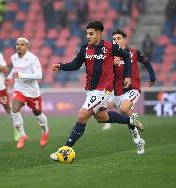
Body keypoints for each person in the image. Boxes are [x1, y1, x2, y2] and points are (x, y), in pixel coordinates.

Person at [49, 21, 143, 161]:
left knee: (81, 116)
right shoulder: (85, 49)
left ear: (99, 34)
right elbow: (75, 65)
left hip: (103, 90)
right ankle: (130, 120)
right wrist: (61, 66)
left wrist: (128, 75)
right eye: (87, 33)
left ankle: (64, 150)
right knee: (102, 118)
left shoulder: (111, 47)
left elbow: (127, 58)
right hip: (91, 90)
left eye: (91, 33)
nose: (88, 36)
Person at [103, 29, 156, 154]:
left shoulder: (133, 53)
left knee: (124, 109)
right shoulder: (110, 56)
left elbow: (147, 63)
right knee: (101, 108)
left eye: (118, 38)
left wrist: (152, 78)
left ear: (124, 40)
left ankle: (133, 118)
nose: (116, 41)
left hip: (132, 89)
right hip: (116, 92)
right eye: (114, 39)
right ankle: (138, 140)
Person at [5, 37, 49, 149]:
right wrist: (9, 77)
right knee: (14, 108)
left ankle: (45, 131)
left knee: (38, 114)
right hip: (19, 89)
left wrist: (23, 76)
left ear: (27, 47)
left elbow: (39, 75)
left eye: (22, 45)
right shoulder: (13, 57)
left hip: (33, 92)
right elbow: (14, 69)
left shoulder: (32, 59)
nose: (19, 46)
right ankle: (22, 135)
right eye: (17, 44)